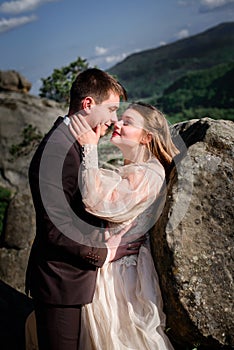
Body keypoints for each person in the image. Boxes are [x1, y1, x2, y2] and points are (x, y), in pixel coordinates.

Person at [25, 68, 145, 350]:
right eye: (112, 109)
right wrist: (107, 252)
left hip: (74, 281)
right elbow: (57, 230)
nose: (115, 119)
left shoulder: (72, 143)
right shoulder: (57, 152)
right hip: (61, 285)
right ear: (88, 104)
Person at [69, 102, 179, 349]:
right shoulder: (136, 170)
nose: (117, 123)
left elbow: (95, 201)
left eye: (127, 122)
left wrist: (89, 147)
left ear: (146, 137)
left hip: (122, 279)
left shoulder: (149, 174)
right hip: (112, 268)